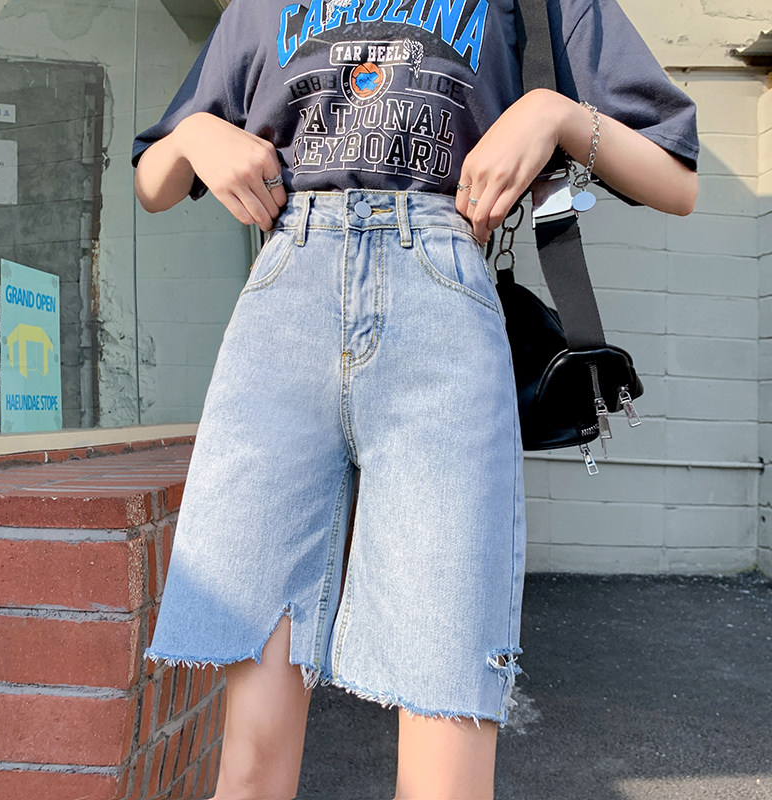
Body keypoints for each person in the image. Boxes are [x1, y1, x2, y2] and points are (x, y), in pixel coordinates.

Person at [132, 1, 698, 798]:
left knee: (445, 729)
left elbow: (676, 179)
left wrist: (556, 114)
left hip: (440, 304)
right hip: (284, 308)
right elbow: (153, 181)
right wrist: (194, 133)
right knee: (249, 763)